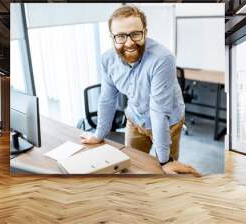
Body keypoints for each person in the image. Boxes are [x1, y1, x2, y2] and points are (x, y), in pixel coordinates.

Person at [80, 5, 200, 176]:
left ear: (145, 31)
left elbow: (159, 110)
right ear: (112, 37)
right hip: (135, 119)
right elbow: (107, 99)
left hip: (168, 122)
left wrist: (165, 161)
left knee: (166, 173)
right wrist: (99, 135)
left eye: (135, 34)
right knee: (131, 167)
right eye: (120, 36)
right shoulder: (107, 60)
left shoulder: (162, 59)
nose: (129, 42)